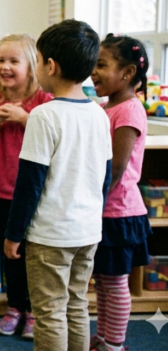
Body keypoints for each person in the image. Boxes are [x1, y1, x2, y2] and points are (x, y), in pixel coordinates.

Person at [4, 19, 112, 351]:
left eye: (36, 61)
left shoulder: (44, 115)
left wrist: (13, 234)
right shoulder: (98, 114)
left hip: (51, 236)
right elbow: (105, 177)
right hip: (87, 231)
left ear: (50, 66)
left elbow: (29, 183)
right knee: (77, 304)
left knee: (49, 311)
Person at [0, 34, 52, 339]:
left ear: (32, 66)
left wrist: (25, 117)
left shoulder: (43, 101)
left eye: (13, 61)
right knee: (10, 251)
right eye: (1, 60)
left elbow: (51, 139)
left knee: (34, 252)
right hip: (1, 187)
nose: (5, 67)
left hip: (35, 191)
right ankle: (15, 307)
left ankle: (35, 310)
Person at [89, 34, 152, 351]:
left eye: (101, 64)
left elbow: (116, 167)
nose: (93, 71)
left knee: (115, 284)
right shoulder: (105, 106)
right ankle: (103, 337)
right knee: (102, 280)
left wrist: (91, 203)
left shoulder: (128, 110)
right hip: (103, 211)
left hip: (118, 213)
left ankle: (114, 343)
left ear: (127, 73)